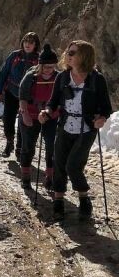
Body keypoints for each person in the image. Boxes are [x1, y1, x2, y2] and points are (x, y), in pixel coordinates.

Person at [39, 40, 112, 220]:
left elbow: (106, 107)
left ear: (84, 56)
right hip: (65, 126)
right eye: (68, 52)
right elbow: (53, 102)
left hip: (86, 129)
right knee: (58, 163)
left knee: (73, 165)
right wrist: (46, 112)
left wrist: (101, 119)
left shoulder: (96, 79)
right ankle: (58, 201)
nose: (68, 55)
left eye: (73, 52)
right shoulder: (62, 77)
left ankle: (84, 198)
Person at [18, 44, 60, 189]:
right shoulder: (31, 76)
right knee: (28, 146)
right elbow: (22, 97)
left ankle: (50, 176)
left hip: (50, 116)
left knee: (51, 147)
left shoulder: (58, 77)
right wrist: (25, 115)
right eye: (46, 66)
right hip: (30, 113)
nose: (49, 69)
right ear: (40, 65)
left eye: (52, 66)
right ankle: (25, 176)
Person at [0, 32, 40, 159]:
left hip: (27, 96)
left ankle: (20, 148)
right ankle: (9, 142)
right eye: (26, 41)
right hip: (11, 91)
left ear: (35, 45)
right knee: (7, 119)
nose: (27, 44)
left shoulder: (38, 60)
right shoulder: (15, 55)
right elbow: (3, 73)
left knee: (23, 121)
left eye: (31, 42)